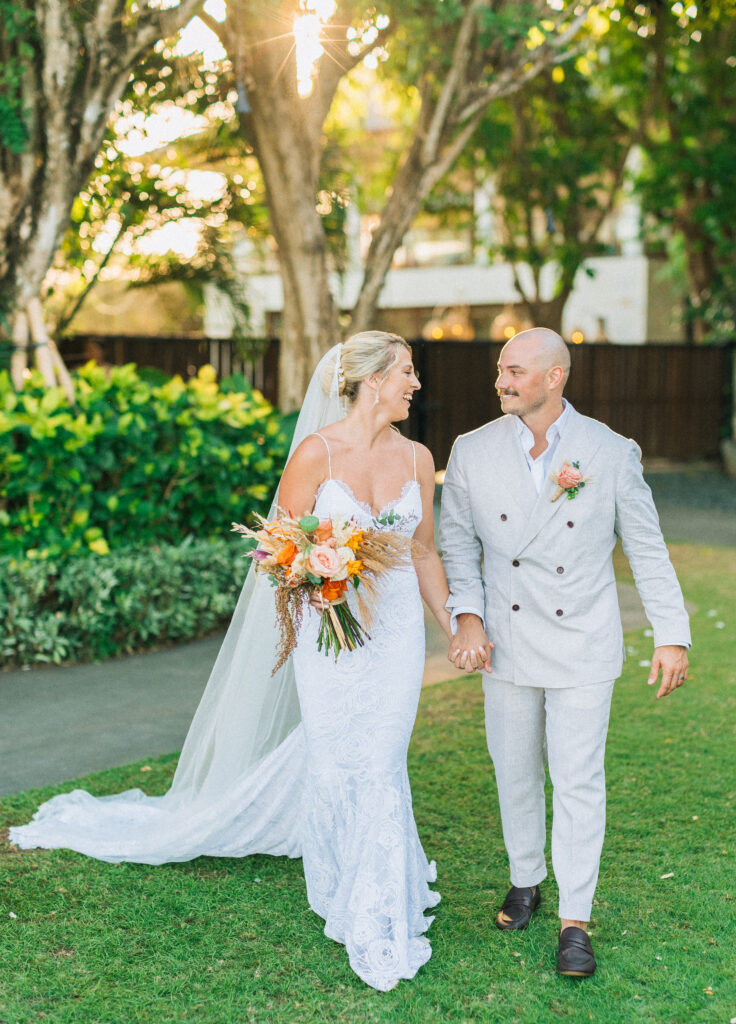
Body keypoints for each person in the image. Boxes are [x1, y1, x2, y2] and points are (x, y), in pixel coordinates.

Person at [10, 331, 452, 992]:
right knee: (335, 758)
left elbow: (422, 552)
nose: (416, 384)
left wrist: (458, 625)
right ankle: (339, 888)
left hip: (393, 639)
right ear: (370, 379)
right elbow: (279, 549)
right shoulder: (316, 452)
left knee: (383, 757)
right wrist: (325, 583)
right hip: (326, 637)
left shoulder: (419, 458)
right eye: (407, 373)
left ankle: (381, 903)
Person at [439, 327, 691, 978]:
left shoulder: (609, 451)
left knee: (578, 779)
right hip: (508, 639)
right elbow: (459, 547)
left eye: (516, 370)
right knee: (514, 768)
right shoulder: (471, 450)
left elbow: (646, 547)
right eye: (500, 369)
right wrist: (467, 615)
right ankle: (526, 877)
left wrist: (671, 633)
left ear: (556, 377)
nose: (502, 381)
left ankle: (574, 918)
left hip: (583, 639)